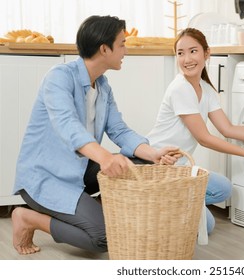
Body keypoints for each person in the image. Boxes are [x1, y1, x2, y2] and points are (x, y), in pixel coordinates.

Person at [11, 15, 179, 255]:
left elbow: (119, 130)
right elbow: (67, 125)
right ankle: (29, 218)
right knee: (104, 238)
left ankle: (94, 211)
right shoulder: (59, 78)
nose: (125, 50)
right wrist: (105, 158)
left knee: (143, 165)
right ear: (104, 48)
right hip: (45, 178)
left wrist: (154, 153)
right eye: (122, 44)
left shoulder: (102, 86)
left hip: (78, 172)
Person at [146, 28, 244, 234]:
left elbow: (228, 129)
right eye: (180, 53)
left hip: (180, 169)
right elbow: (204, 139)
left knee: (223, 188)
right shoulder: (180, 88)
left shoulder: (206, 89)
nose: (186, 59)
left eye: (193, 51)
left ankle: (169, 202)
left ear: (207, 53)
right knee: (206, 225)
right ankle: (158, 202)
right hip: (157, 165)